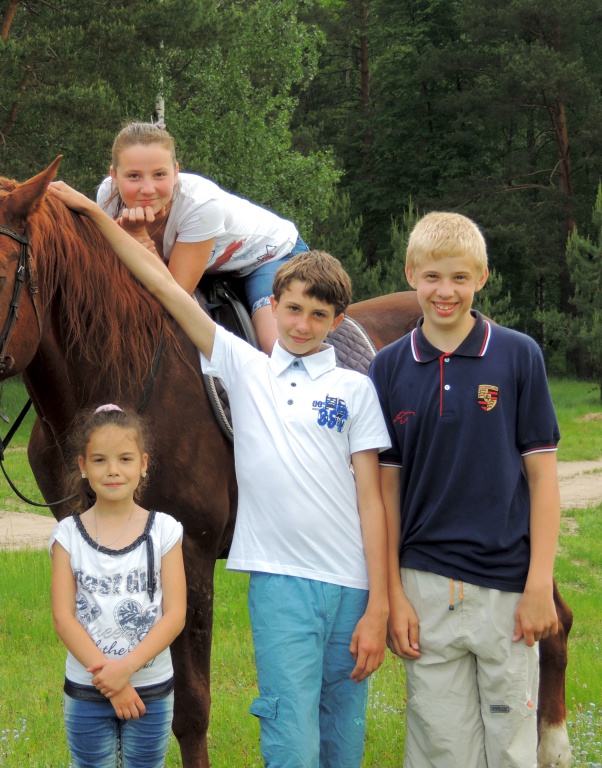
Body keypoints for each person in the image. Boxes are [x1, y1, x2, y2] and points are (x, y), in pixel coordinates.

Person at [49, 180, 391, 768]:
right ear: (271, 307)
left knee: (345, 735)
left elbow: (373, 499)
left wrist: (381, 602)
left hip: (351, 585)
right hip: (281, 584)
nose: (303, 325)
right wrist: (89, 212)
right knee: (288, 733)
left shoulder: (356, 389)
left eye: (318, 315)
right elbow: (159, 283)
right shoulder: (246, 369)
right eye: (292, 310)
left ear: (337, 322)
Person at [367, 212, 561, 767]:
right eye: (431, 276)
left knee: (511, 746)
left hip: (508, 586)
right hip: (424, 587)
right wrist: (395, 594)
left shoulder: (518, 355)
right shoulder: (387, 368)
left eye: (458, 277)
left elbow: (543, 479)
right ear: (410, 274)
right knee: (439, 747)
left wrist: (540, 584)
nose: (444, 291)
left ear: (482, 277)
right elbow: (387, 493)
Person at [49, 404, 186, 768]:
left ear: (143, 464)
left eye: (124, 459)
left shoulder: (165, 531)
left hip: (151, 691)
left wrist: (126, 669)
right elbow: (64, 618)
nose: (113, 470)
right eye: (100, 460)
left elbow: (175, 615)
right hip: (87, 691)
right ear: (82, 466)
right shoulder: (67, 536)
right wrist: (109, 677)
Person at [97, 121, 309, 354]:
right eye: (134, 176)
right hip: (216, 269)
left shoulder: (201, 206)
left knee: (277, 347)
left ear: (176, 173)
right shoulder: (108, 197)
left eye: (159, 174)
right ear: (114, 176)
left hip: (269, 256)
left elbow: (174, 295)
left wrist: (139, 237)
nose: (148, 189)